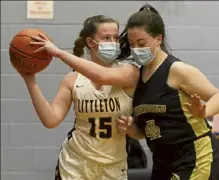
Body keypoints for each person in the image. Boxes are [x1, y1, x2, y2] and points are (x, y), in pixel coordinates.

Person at [116, 5, 219, 180]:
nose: (136, 49)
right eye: (132, 45)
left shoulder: (177, 70)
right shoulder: (138, 77)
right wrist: (133, 129)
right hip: (163, 162)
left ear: (158, 39)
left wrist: (204, 111)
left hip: (196, 157)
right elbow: (149, 130)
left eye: (141, 44)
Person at [19, 15, 140, 180]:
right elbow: (51, 120)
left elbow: (102, 76)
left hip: (113, 165)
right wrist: (30, 80)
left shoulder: (129, 72)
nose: (113, 42)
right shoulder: (73, 80)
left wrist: (60, 53)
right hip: (75, 164)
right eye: (106, 38)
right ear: (91, 43)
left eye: (116, 38)